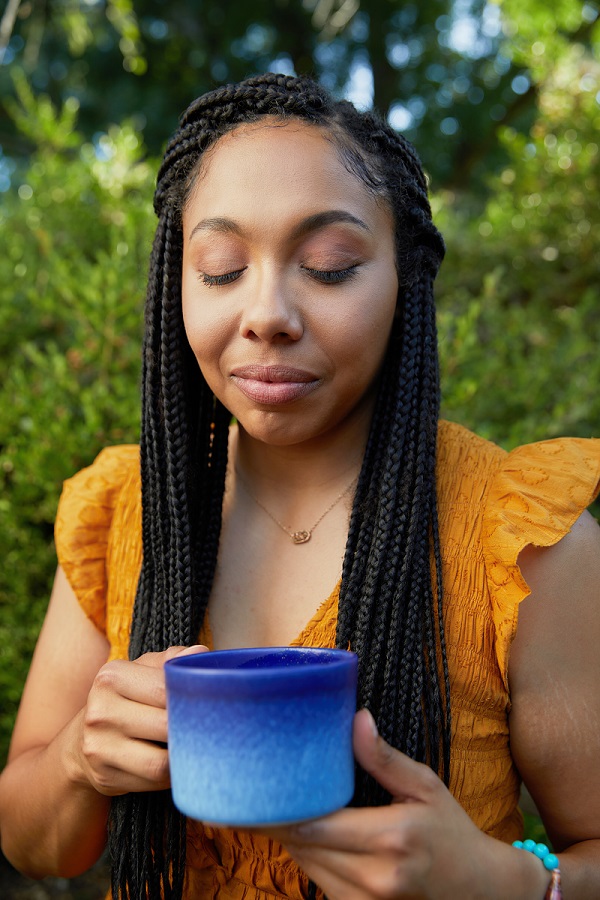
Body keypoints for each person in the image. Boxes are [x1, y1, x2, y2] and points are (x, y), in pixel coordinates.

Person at [0, 72, 599, 900]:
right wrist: (75, 762)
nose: (267, 311)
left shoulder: (521, 540)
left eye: (328, 265)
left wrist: (507, 882)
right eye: (220, 269)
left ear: (403, 283)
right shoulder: (122, 512)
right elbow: (35, 845)